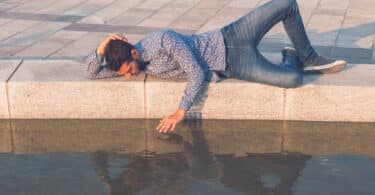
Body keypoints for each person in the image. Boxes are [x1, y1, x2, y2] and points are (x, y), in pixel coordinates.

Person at [85, 0, 347, 133]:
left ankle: (308, 56)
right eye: (125, 74)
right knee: (293, 80)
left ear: (134, 52)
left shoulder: (163, 39)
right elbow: (92, 73)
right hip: (235, 65)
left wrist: (179, 113)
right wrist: (102, 46)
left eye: (130, 70)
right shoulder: (130, 63)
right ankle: (290, 55)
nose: (130, 76)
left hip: (232, 36)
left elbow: (196, 72)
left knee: (286, 4)